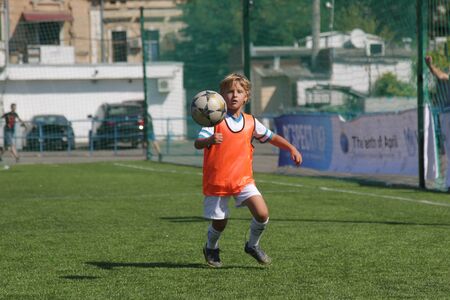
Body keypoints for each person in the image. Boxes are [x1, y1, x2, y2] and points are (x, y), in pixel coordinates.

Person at [194, 73, 302, 267]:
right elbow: (198, 142)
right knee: (220, 223)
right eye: (229, 91)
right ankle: (211, 247)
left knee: (262, 214)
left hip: (243, 180)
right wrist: (209, 140)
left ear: (246, 97)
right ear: (221, 96)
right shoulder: (214, 120)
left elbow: (271, 137)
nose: (234, 95)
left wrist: (291, 148)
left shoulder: (251, 121)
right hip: (218, 181)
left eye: (239, 91)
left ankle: (252, 245)